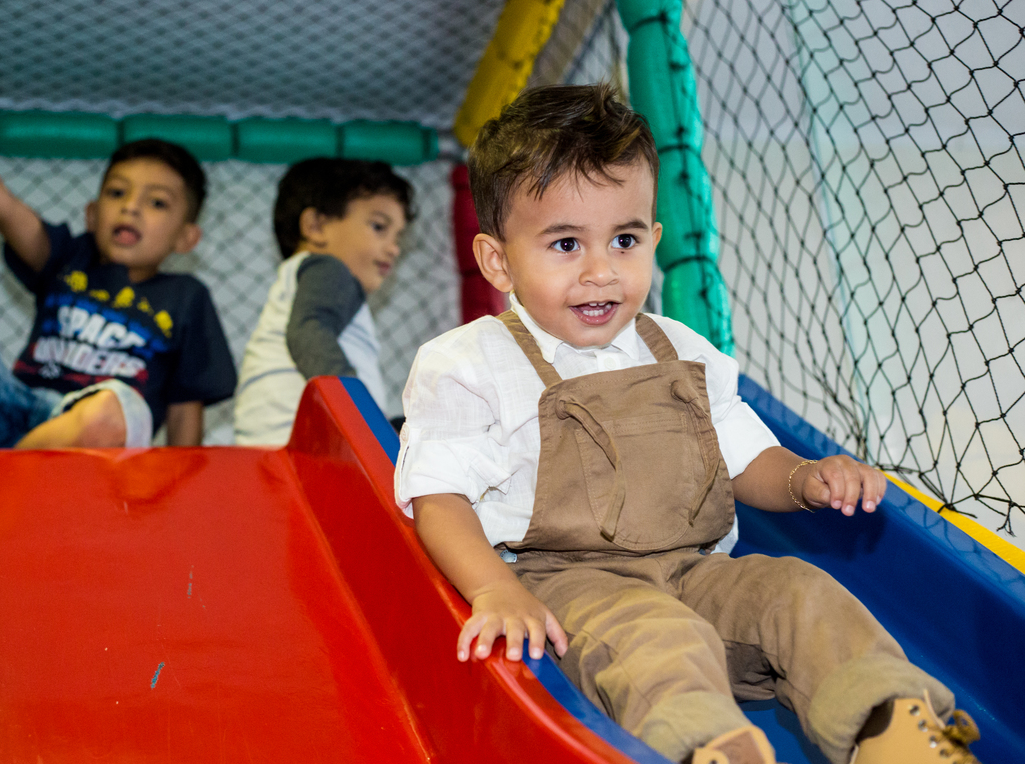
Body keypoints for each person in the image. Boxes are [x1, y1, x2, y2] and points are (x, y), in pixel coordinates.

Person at [394, 85, 980, 764]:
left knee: (798, 591)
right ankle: (711, 749)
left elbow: (744, 457)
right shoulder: (469, 363)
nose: (601, 271)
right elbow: (439, 496)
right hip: (568, 590)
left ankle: (894, 730)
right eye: (565, 243)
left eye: (624, 240)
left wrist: (803, 479)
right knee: (660, 636)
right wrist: (493, 590)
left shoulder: (681, 350)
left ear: (654, 239)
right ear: (498, 260)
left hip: (696, 573)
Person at [0, 81, 236, 449]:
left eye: (157, 202)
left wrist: (179, 486)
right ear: (91, 215)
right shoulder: (68, 257)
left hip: (93, 454)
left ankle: (8, 471)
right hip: (11, 418)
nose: (130, 207)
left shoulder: (186, 297)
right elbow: (5, 209)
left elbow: (185, 409)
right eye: (117, 193)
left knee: (114, 409)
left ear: (186, 238)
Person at [233, 158, 412, 446]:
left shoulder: (301, 277)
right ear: (315, 226)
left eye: (398, 237)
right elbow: (308, 333)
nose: (394, 249)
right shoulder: (329, 269)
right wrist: (364, 418)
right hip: (309, 445)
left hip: (275, 444)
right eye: (379, 226)